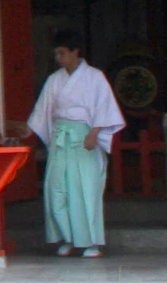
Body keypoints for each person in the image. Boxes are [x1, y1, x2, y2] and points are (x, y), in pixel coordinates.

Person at [26, 32, 125, 257]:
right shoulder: (54, 80)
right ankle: (67, 238)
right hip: (60, 138)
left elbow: (105, 107)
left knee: (85, 189)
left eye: (62, 53)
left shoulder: (94, 77)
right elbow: (43, 111)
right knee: (57, 189)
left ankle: (91, 243)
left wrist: (95, 133)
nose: (58, 58)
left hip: (84, 137)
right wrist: (27, 129)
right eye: (56, 54)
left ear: (75, 52)